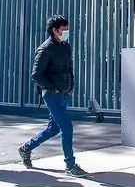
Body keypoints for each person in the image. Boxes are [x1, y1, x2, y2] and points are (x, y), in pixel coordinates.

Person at [18, 14, 88, 177]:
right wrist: (53, 88)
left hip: (64, 93)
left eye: (67, 28)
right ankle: (70, 165)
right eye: (63, 29)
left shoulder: (65, 46)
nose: (66, 31)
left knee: (53, 128)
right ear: (54, 30)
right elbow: (36, 75)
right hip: (51, 94)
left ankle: (25, 148)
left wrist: (70, 87)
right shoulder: (45, 49)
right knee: (66, 127)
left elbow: (69, 68)